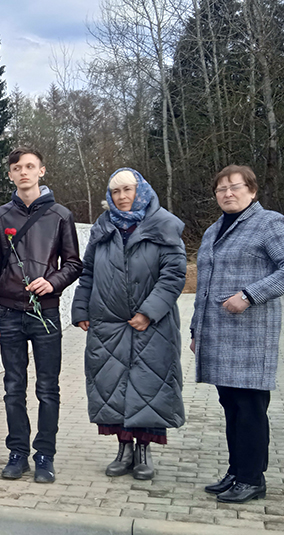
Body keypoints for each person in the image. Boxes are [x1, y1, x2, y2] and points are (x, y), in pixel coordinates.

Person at [191, 165, 284, 503]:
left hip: (250, 336)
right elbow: (204, 287)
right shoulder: (213, 230)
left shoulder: (269, 223)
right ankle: (236, 471)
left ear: (252, 191)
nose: (227, 193)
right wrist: (196, 329)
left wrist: (249, 295)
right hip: (217, 335)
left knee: (250, 409)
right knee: (231, 406)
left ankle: (252, 478)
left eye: (235, 186)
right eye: (221, 189)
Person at [72, 168, 186, 481]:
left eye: (128, 190)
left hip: (152, 325)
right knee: (113, 385)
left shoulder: (163, 224)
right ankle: (123, 449)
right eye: (116, 191)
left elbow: (174, 274)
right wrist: (81, 308)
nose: (122, 197)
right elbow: (88, 272)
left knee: (149, 385)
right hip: (108, 324)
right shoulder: (103, 226)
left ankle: (144, 450)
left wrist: (149, 312)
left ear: (141, 191)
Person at [0, 147, 82, 483]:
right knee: (13, 387)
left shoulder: (60, 215)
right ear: (10, 174)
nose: (23, 172)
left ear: (41, 171)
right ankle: (17, 453)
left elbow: (74, 264)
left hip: (46, 314)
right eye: (16, 167)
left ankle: (44, 455)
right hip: (9, 313)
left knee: (48, 388)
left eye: (29, 166)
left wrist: (52, 282)